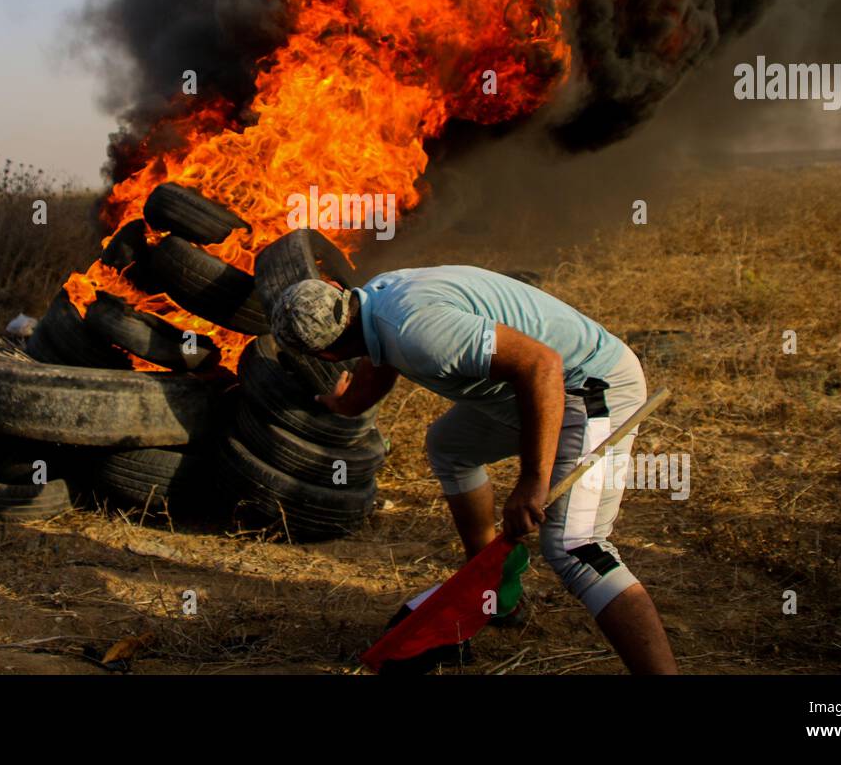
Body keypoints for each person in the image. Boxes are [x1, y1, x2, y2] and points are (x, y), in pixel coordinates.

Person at [270, 267, 678, 674]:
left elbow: (541, 366)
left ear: (328, 354)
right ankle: (494, 588)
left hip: (589, 386)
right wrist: (344, 405)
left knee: (576, 546)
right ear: (338, 291)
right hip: (526, 392)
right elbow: (379, 364)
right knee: (450, 447)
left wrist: (533, 481)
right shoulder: (375, 303)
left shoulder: (416, 331)